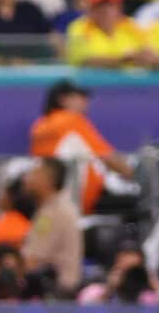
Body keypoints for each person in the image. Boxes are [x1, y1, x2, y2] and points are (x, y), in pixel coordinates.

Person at [29, 78, 135, 213]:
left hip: (48, 200)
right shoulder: (71, 120)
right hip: (81, 199)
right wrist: (134, 175)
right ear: (63, 99)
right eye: (80, 96)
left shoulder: (40, 126)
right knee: (137, 205)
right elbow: (108, 157)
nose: (86, 101)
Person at [17, 158, 83, 296]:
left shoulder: (52, 214)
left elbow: (32, 261)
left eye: (33, 174)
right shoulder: (57, 207)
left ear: (47, 180)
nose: (25, 179)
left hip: (54, 296)